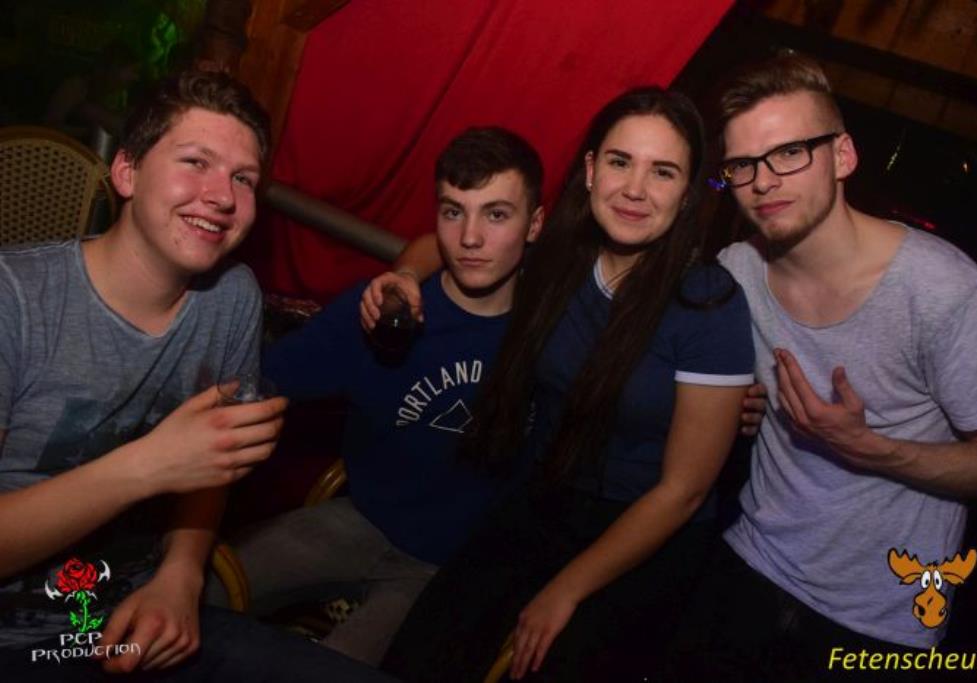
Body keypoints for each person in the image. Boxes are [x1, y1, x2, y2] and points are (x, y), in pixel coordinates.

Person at [0, 70, 394, 682]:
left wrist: (181, 576)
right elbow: (173, 462)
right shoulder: (16, 301)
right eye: (196, 162)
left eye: (243, 178)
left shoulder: (231, 297)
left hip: (146, 611)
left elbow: (210, 467)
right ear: (126, 172)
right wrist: (150, 464)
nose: (223, 196)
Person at [665, 53, 977, 682]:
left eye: (790, 152)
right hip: (746, 567)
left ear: (843, 156)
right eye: (743, 164)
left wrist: (868, 447)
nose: (763, 181)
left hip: (879, 620)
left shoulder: (947, 293)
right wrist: (739, 404)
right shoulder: (736, 273)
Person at [378, 86, 755, 683]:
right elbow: (446, 246)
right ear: (591, 169)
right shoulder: (560, 259)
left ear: (686, 194)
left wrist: (566, 590)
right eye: (620, 162)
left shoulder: (709, 305)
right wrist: (402, 276)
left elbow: (683, 492)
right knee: (421, 654)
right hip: (542, 499)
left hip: (645, 533)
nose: (635, 189)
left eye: (662, 172)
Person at [209, 127, 545, 665]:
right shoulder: (384, 312)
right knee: (193, 590)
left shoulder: (552, 332)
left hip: (446, 570)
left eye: (496, 214)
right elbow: (257, 386)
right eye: (453, 212)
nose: (470, 237)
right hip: (358, 520)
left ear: (535, 224)